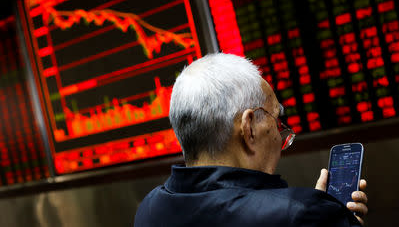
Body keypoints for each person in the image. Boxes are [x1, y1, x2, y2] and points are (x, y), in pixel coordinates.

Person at [134, 53, 368, 227]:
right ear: (249, 128)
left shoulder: (149, 209)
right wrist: (335, 218)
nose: (280, 136)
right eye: (276, 120)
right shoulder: (302, 215)